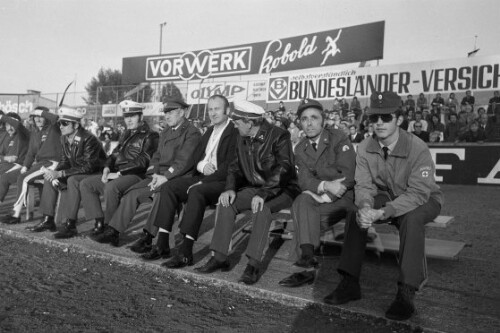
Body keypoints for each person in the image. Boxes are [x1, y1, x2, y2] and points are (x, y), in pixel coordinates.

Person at [324, 91, 443, 321]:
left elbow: (418, 193)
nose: (379, 122)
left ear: (399, 119)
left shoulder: (417, 147)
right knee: (355, 213)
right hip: (386, 196)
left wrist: (383, 211)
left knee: (412, 218)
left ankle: (407, 291)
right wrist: (367, 206)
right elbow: (364, 185)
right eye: (374, 117)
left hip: (425, 199)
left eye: (386, 117)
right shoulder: (366, 146)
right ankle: (350, 281)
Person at [194, 100, 299, 285]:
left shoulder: (279, 135)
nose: (234, 125)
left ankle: (253, 264)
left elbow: (284, 169)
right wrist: (229, 189)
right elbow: (234, 167)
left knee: (262, 209)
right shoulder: (241, 136)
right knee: (226, 204)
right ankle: (219, 257)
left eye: (237, 122)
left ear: (249, 123)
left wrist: (264, 192)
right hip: (255, 187)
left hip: (280, 188)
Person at [139, 95, 238, 267]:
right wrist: (202, 166)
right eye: (210, 109)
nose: (213, 113)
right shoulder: (208, 131)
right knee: (168, 187)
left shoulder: (234, 132)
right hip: (202, 176)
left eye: (217, 109)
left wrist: (204, 180)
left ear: (227, 110)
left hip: (221, 181)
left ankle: (186, 251)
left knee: (196, 191)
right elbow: (196, 159)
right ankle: (162, 243)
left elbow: (230, 165)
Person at [92, 98, 201, 247]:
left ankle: (147, 237)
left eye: (170, 113)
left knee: (160, 195)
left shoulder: (192, 132)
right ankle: (114, 232)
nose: (167, 116)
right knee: (131, 195)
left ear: (181, 112)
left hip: (177, 178)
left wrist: (165, 176)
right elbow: (156, 157)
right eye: (165, 113)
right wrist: (155, 173)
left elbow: (183, 161)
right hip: (158, 176)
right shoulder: (167, 131)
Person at [278, 99, 356, 288]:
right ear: (300, 123)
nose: (309, 123)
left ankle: (305, 269)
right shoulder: (300, 147)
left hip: (343, 198)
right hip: (320, 196)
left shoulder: (337, 138)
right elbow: (304, 180)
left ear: (323, 120)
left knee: (301, 212)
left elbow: (348, 175)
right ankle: (307, 256)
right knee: (301, 200)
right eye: (304, 119)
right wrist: (326, 186)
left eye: (314, 118)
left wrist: (325, 194)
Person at [79, 100, 159, 237]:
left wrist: (120, 173)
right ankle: (100, 223)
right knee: (86, 184)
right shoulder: (126, 134)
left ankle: (111, 230)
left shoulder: (151, 135)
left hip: (136, 175)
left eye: (132, 116)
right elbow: (115, 154)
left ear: (140, 116)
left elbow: (144, 161)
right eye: (126, 116)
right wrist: (107, 168)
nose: (128, 120)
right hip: (118, 173)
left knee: (111, 187)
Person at [26, 107, 106, 238]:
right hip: (76, 172)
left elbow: (89, 166)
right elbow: (64, 162)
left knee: (71, 180)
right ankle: (48, 220)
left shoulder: (89, 139)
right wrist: (54, 172)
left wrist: (61, 174)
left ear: (75, 125)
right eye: (59, 123)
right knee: (49, 178)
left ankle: (70, 225)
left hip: (95, 173)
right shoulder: (64, 138)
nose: (61, 126)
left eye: (64, 123)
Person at [1, 106, 61, 225]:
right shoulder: (35, 133)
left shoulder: (53, 128)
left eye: (41, 117)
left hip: (52, 164)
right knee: (21, 175)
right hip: (39, 165)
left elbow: (56, 118)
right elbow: (31, 153)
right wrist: (25, 167)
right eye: (35, 117)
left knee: (23, 178)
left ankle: (15, 215)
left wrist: (40, 112)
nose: (38, 120)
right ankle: (16, 214)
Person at [0, 113, 30, 201]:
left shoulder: (23, 134)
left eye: (12, 124)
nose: (10, 128)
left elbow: (18, 125)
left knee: (3, 179)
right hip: (5, 165)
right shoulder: (4, 136)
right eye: (7, 124)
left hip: (19, 166)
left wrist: (2, 117)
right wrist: (5, 158)